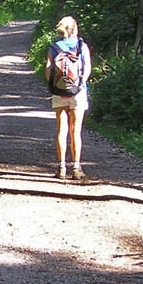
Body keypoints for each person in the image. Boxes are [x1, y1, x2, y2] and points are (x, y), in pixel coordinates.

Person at [44, 16, 91, 179]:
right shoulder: (81, 46)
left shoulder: (54, 47)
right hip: (78, 92)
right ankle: (77, 168)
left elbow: (48, 71)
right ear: (74, 29)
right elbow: (87, 69)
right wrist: (78, 86)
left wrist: (54, 86)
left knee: (61, 129)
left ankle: (61, 167)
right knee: (75, 130)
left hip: (59, 92)